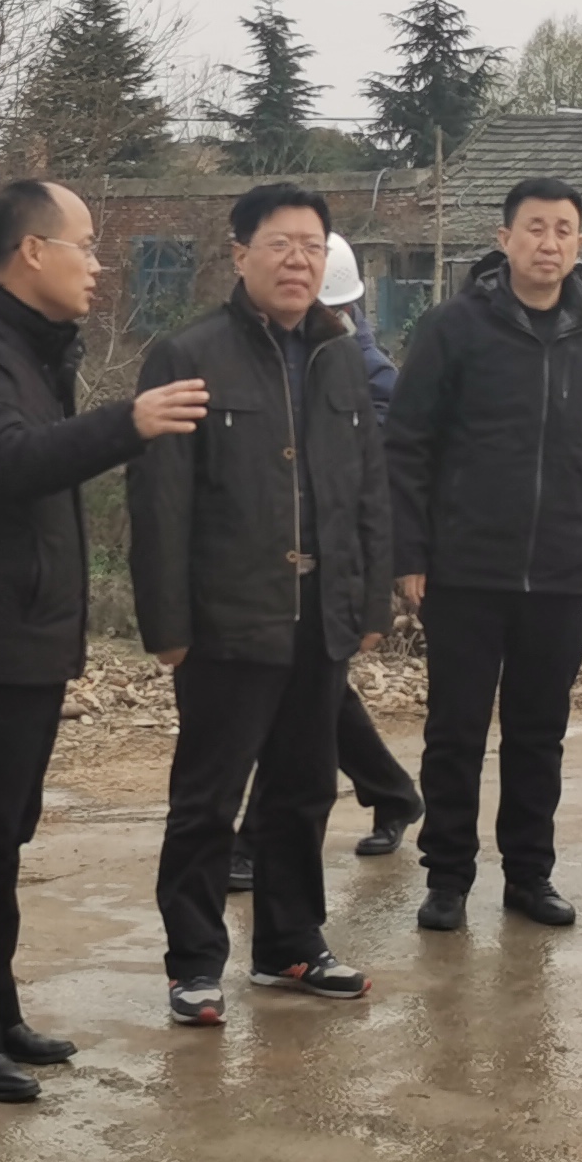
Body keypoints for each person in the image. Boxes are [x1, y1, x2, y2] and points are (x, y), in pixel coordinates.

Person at [0, 180, 207, 1103]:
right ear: (33, 251)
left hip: (24, 636)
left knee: (4, 835)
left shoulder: (27, 349)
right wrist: (130, 422)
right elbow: (7, 463)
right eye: (87, 246)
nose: (98, 267)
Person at [130, 182, 392, 1025]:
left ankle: (290, 943)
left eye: (313, 247)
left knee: (304, 788)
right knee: (208, 800)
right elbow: (161, 502)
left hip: (321, 616)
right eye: (280, 244)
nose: (298, 261)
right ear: (240, 254)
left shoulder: (339, 355)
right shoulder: (189, 354)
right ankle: (194, 962)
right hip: (227, 617)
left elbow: (366, 488)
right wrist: (168, 625)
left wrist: (371, 600)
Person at [385, 176, 582, 931]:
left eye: (563, 230)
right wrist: (409, 551)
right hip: (465, 568)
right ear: (504, 239)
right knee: (455, 731)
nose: (548, 243)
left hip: (560, 570)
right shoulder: (452, 329)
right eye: (535, 227)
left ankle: (530, 875)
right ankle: (447, 878)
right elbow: (408, 447)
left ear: (580, 244)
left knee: (538, 734)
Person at [231, 231, 421, 887]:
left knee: (295, 703)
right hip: (283, 558)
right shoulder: (289, 354)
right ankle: (392, 792)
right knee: (313, 696)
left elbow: (366, 476)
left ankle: (254, 843)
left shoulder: (366, 373)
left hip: (334, 557)